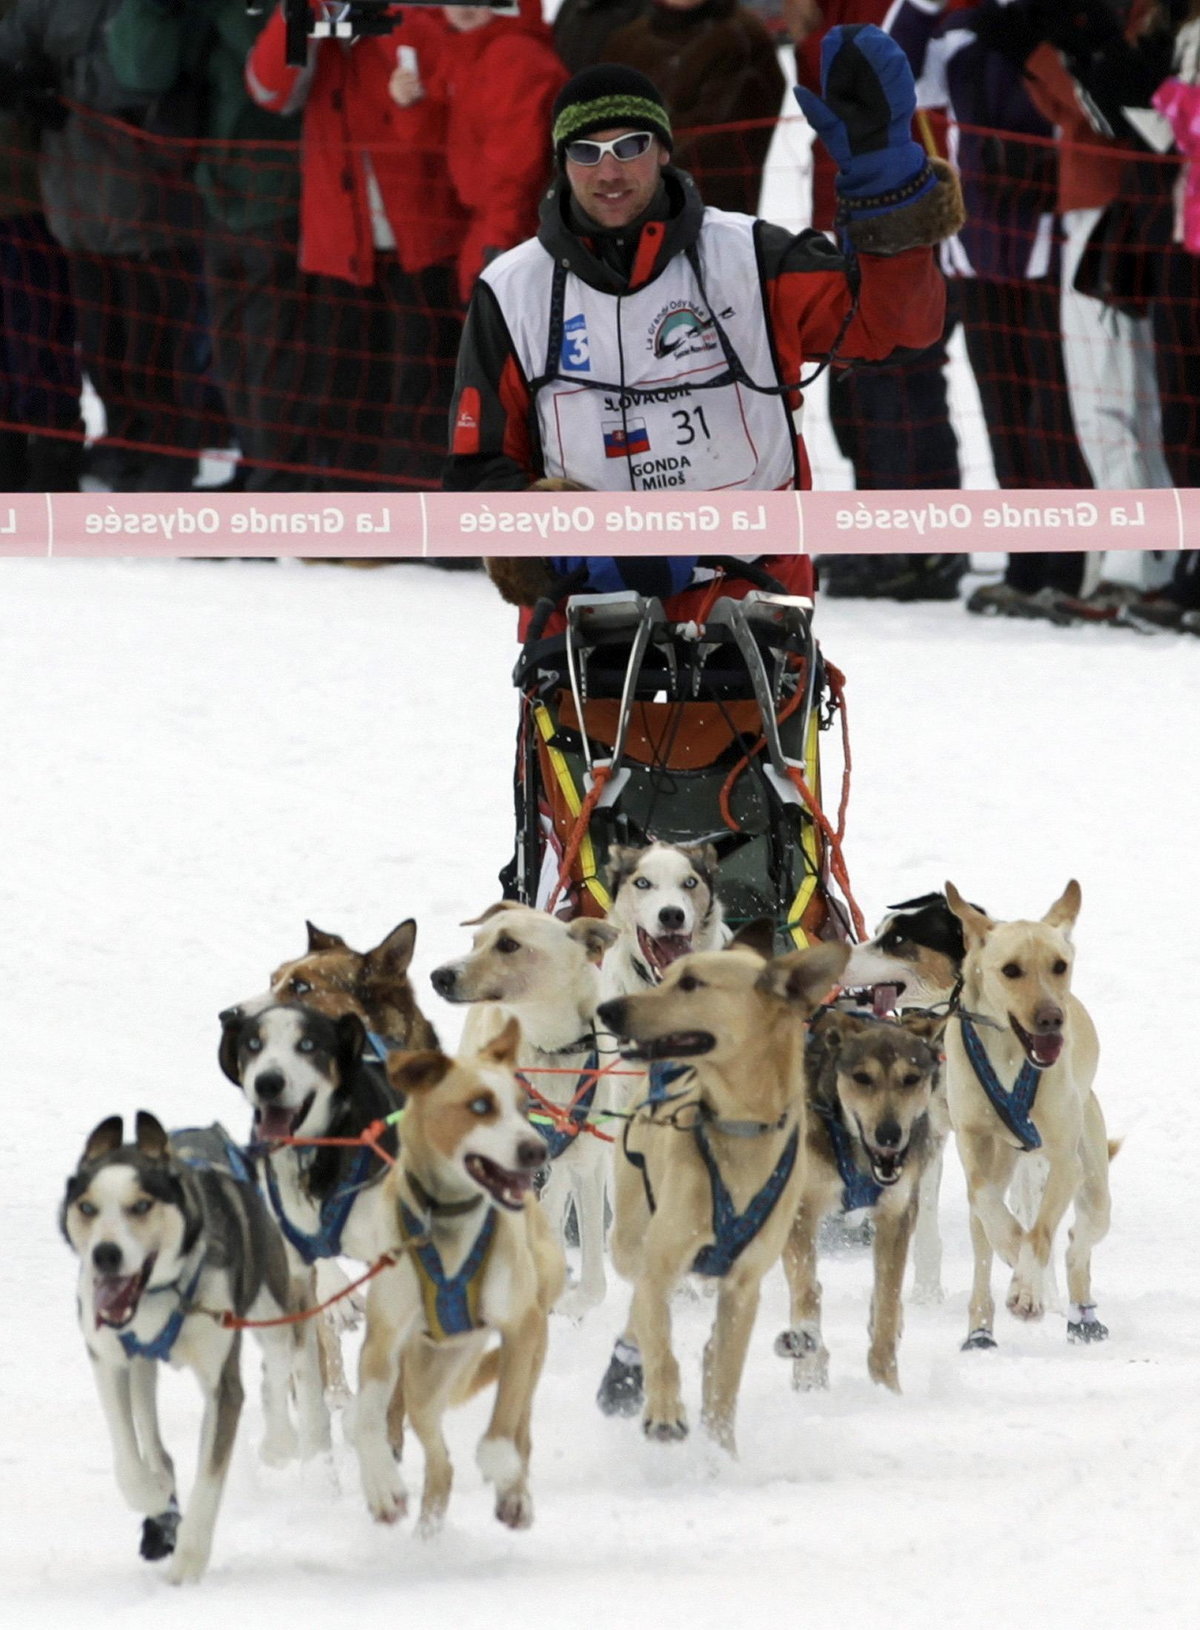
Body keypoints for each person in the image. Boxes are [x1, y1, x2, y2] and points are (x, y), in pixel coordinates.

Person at [443, 43, 963, 497]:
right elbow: (481, 466)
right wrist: (570, 556)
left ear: (664, 150)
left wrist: (883, 188)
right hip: (583, 593)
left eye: (630, 147)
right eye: (586, 152)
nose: (609, 172)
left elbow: (893, 331)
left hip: (749, 578)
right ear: (562, 162)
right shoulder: (513, 291)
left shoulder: (753, 255)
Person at [247, 3, 467, 488]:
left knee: (423, 385)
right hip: (341, 242)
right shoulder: (312, 18)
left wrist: (377, 21)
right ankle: (356, 516)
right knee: (346, 388)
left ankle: (420, 515)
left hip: (425, 236)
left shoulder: (422, 16)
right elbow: (268, 89)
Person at [389, 3, 568, 309]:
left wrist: (497, 242)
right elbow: (437, 135)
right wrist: (412, 103)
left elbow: (516, 164)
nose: (465, 6)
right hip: (497, 229)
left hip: (523, 231)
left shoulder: (513, 55)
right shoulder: (466, 50)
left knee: (510, 343)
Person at [601, 0, 786, 214]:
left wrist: (624, 169)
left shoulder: (741, 38)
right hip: (619, 215)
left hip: (707, 221)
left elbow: (717, 145)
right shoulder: (624, 41)